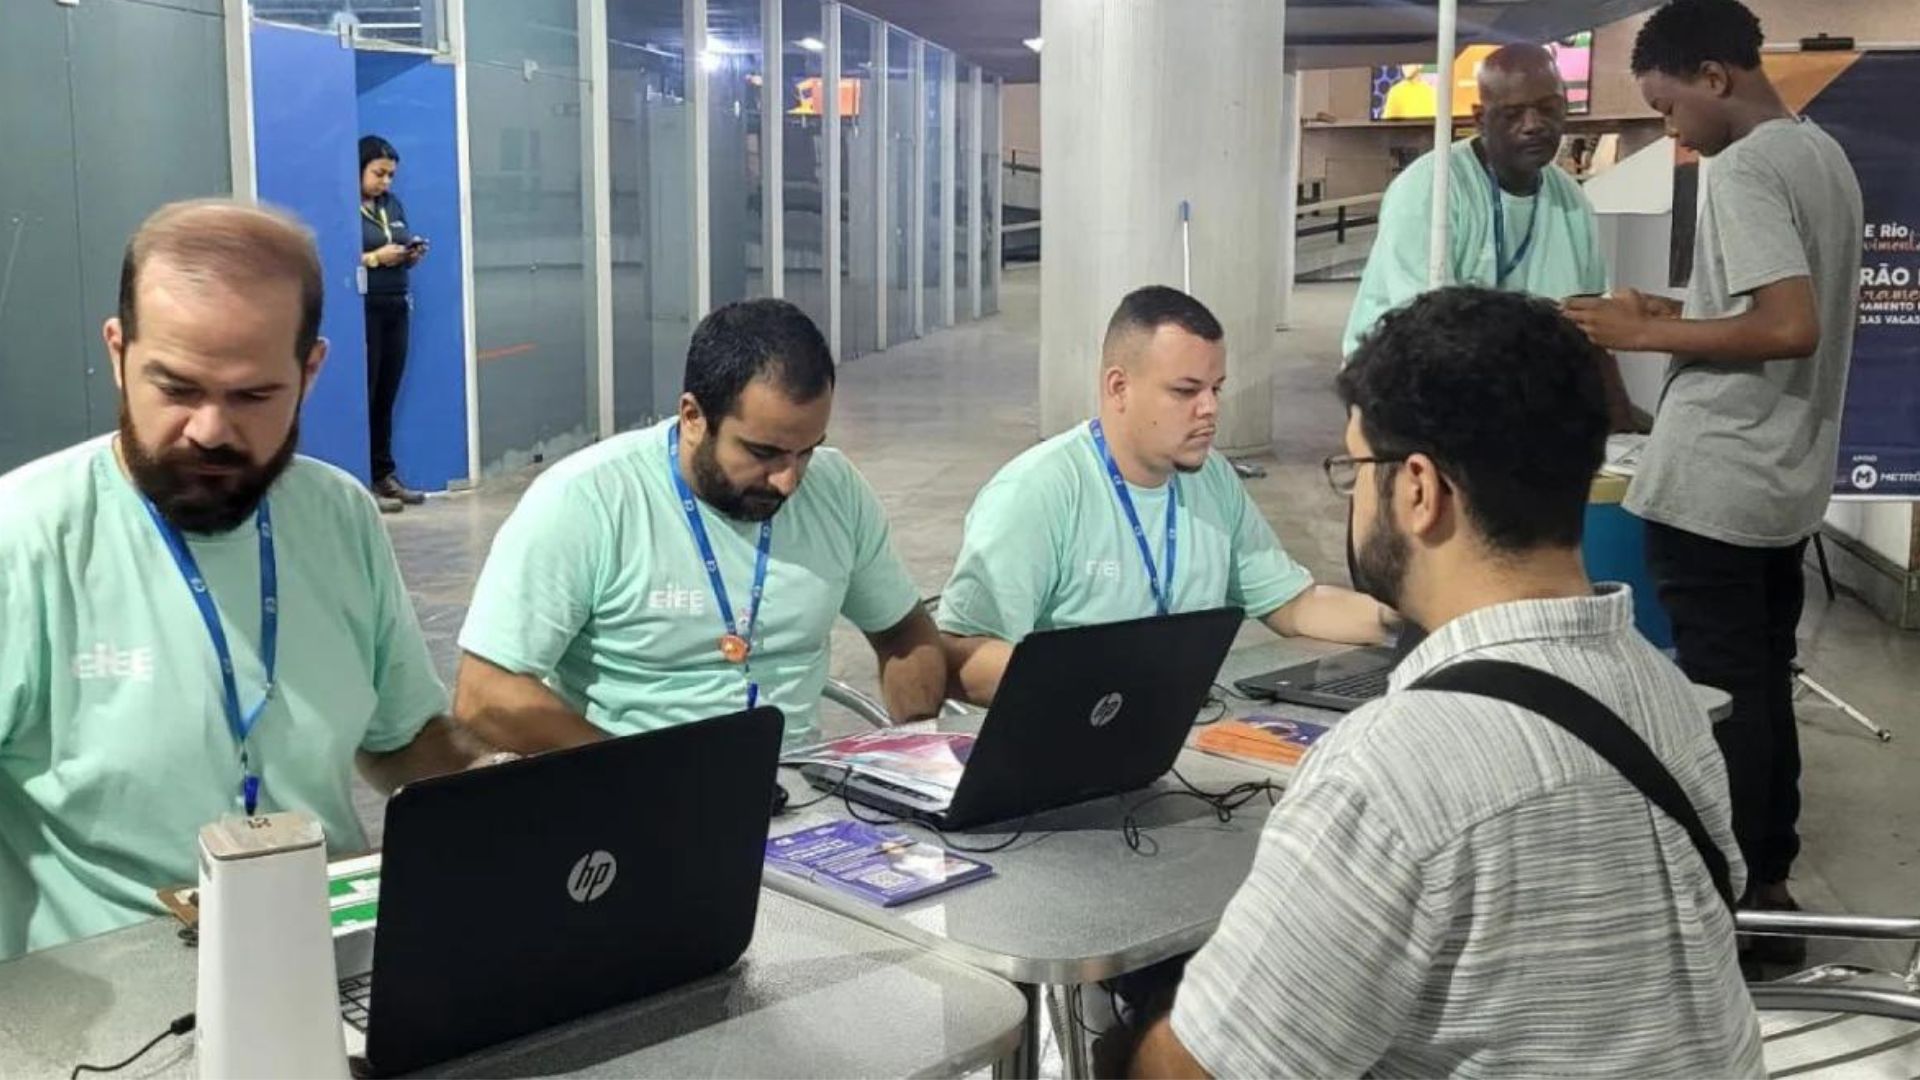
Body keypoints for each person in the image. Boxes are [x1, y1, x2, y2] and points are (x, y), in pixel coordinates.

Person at [1128, 287, 1761, 1078]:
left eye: (1356, 467)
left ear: (1419, 491)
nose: (1354, 496)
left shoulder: (1391, 770)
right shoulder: (1666, 695)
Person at [0, 200, 494, 961]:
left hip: (331, 952)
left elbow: (404, 742)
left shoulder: (337, 517)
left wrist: (519, 806)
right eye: (176, 388)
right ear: (117, 350)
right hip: (116, 989)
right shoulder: (26, 538)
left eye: (253, 396)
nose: (209, 430)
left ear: (310, 370)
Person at [1563, 0, 1863, 961]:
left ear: (1715, 79)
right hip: (1781, 480)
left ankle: (1727, 909)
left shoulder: (1740, 168)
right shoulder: (1823, 156)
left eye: (1666, 107)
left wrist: (1643, 333)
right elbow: (1772, 306)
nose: (1669, 130)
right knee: (1762, 686)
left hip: (1717, 486)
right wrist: (1681, 305)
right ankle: (1769, 887)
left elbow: (1787, 327)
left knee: (1719, 702)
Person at [455, 299, 946, 751]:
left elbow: (905, 633)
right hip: (635, 798)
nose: (787, 481)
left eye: (807, 451)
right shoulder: (587, 500)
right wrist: (632, 772)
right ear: (693, 416)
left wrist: (918, 751)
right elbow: (484, 695)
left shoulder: (836, 490)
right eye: (763, 452)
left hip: (798, 797)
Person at [939, 286, 1392, 706]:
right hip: (1071, 741)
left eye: (1216, 389)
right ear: (1119, 388)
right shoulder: (1036, 493)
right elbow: (962, 659)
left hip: (1174, 728)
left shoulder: (1211, 477)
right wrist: (1098, 681)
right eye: (1185, 390)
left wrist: (1409, 618)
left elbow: (1294, 605)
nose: (1210, 408)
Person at [1343, 44, 1634, 429]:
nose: (1534, 124)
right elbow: (1427, 333)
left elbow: (1589, 333)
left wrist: (1622, 424)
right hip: (1409, 385)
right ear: (1480, 119)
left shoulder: (1572, 201)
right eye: (1513, 114)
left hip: (1512, 393)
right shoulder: (1433, 188)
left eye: (1548, 108)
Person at [358, 134, 429, 513]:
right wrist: (373, 259)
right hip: (363, 308)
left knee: (386, 393)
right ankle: (360, 479)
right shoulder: (344, 206)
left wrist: (408, 254)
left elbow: (398, 239)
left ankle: (384, 474)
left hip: (395, 305)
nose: (385, 182)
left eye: (390, 176)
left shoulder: (392, 204)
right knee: (364, 393)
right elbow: (338, 253)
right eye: (378, 174)